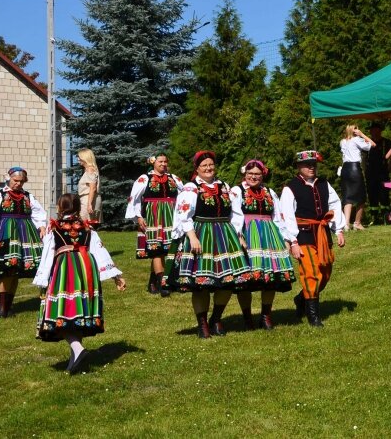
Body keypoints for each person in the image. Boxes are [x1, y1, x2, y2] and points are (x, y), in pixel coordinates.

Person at [163, 151, 253, 338]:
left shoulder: (224, 186)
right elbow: (183, 214)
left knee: (229, 282)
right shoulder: (191, 188)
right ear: (197, 168)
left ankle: (216, 318)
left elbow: (235, 214)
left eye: (211, 164)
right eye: (204, 165)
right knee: (201, 283)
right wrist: (192, 236)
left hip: (225, 235)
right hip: (201, 234)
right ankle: (202, 324)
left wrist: (239, 234)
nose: (208, 168)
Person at [33, 193, 126, 374]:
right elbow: (101, 253)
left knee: (63, 314)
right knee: (78, 312)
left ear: (60, 208)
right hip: (86, 268)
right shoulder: (87, 228)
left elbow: (47, 256)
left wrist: (42, 281)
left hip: (66, 269)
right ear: (77, 208)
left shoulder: (55, 228)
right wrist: (116, 276)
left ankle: (78, 349)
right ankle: (74, 360)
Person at [281, 150, 346, 327]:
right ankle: (313, 316)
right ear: (298, 167)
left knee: (324, 273)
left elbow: (334, 204)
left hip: (322, 234)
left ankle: (301, 299)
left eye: (313, 164)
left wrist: (338, 230)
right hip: (303, 235)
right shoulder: (290, 188)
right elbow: (286, 216)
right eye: (306, 164)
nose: (311, 167)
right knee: (311, 273)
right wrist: (292, 241)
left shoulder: (324, 184)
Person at [231, 159, 294, 331]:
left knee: (270, 279)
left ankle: (266, 316)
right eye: (250, 174)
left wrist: (286, 238)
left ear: (263, 175)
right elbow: (234, 215)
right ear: (245, 174)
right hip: (248, 235)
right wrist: (238, 236)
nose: (253, 177)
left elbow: (278, 216)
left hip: (269, 235)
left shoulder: (269, 192)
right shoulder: (237, 191)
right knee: (245, 279)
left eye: (257, 174)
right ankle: (247, 317)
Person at [125, 153, 183, 296]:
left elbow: (184, 194)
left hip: (170, 217)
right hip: (153, 217)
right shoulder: (144, 179)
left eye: (165, 161)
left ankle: (152, 282)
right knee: (156, 249)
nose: (163, 164)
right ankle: (163, 283)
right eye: (160, 161)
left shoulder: (174, 178)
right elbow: (134, 199)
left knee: (168, 250)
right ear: (153, 163)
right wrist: (138, 216)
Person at [0, 167, 47, 318]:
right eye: (15, 180)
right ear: (9, 178)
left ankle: (9, 307)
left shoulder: (28, 196)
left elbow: (38, 213)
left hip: (25, 233)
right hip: (5, 232)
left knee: (16, 270)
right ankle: (2, 308)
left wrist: (41, 226)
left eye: (21, 181)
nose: (18, 183)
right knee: (6, 268)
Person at [340, 124, 375, 231]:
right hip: (355, 168)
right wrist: (362, 135)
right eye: (357, 128)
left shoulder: (342, 141)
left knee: (347, 196)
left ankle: (346, 224)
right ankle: (357, 222)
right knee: (361, 196)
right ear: (354, 130)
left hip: (345, 169)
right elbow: (373, 145)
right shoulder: (357, 140)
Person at [365, 122, 391, 211]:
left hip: (384, 173)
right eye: (371, 130)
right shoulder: (366, 143)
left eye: (373, 129)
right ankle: (375, 217)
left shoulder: (387, 142)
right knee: (372, 193)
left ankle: (386, 216)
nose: (371, 131)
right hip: (370, 173)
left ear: (379, 130)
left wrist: (390, 167)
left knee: (385, 193)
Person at [77, 148, 102, 222]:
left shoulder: (90, 170)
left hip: (88, 199)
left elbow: (93, 188)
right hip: (93, 199)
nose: (78, 159)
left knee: (86, 225)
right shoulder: (92, 169)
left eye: (79, 157)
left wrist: (89, 204)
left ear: (85, 158)